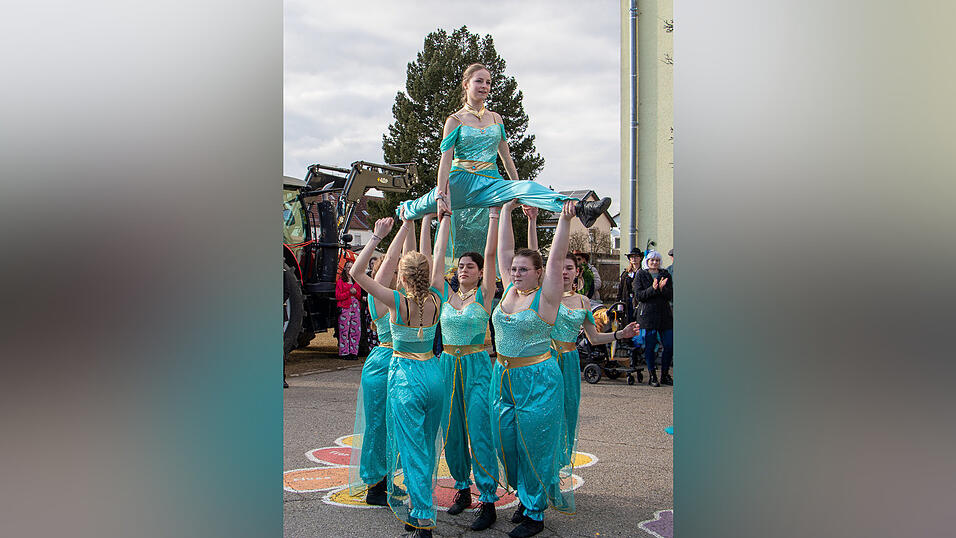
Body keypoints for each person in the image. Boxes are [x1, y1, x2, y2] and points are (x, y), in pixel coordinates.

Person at [396, 63, 611, 230]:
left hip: (491, 181)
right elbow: (445, 160)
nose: (484, 86)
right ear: (466, 85)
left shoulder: (496, 119)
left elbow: (506, 158)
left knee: (527, 186)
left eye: (488, 83)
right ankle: (405, 208)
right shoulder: (455, 120)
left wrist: (522, 195)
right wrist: (441, 195)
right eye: (479, 81)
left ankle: (580, 207)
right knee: (421, 207)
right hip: (461, 180)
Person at [350, 212, 452, 538]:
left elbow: (357, 273)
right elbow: (435, 263)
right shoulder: (437, 296)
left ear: (403, 278)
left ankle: (421, 513)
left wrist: (379, 236)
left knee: (411, 447)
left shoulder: (393, 301)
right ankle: (408, 498)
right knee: (423, 443)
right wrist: (441, 220)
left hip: (406, 375)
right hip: (433, 372)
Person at [491, 199, 575, 538]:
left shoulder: (547, 295)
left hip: (538, 379)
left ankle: (534, 512)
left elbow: (555, 257)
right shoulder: (509, 289)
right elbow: (505, 248)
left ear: (539, 273)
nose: (515, 272)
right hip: (504, 377)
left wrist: (566, 219)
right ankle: (525, 496)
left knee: (535, 445)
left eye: (523, 269)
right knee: (506, 441)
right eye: (514, 269)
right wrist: (508, 210)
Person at [437, 206, 502, 531]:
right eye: (460, 265)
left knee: (480, 430)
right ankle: (462, 489)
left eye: (470, 266)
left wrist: (493, 217)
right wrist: (442, 221)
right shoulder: (447, 296)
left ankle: (488, 500)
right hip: (447, 365)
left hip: (477, 366)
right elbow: (436, 267)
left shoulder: (484, 296)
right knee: (452, 432)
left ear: (478, 272)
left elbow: (490, 255)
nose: (464, 269)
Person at [347, 216, 412, 506]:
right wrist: (397, 229)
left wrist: (412, 226)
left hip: (397, 362)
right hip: (384, 362)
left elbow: (411, 258)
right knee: (377, 425)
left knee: (394, 425)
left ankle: (384, 479)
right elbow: (387, 264)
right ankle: (375, 485)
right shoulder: (379, 296)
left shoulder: (401, 297)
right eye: (391, 268)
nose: (396, 271)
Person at [551, 253, 639, 467]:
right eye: (560, 266)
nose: (564, 271)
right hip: (545, 361)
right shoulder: (543, 296)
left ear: (577, 272)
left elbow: (594, 337)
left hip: (569, 361)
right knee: (543, 415)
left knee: (565, 414)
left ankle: (555, 470)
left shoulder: (583, 301)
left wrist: (620, 334)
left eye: (569, 268)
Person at [633, 250, 673, 387]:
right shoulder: (641, 275)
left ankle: (665, 374)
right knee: (650, 346)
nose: (654, 263)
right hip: (648, 315)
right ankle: (652, 375)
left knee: (669, 345)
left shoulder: (665, 275)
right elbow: (640, 296)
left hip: (664, 315)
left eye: (657, 260)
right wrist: (653, 288)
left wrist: (662, 289)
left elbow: (670, 295)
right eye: (652, 260)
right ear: (647, 262)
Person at [335, 261, 362, 360]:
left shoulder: (356, 281)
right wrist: (349, 292)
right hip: (345, 307)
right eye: (347, 267)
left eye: (351, 267)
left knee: (355, 330)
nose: (349, 269)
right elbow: (338, 296)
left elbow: (359, 295)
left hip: (355, 307)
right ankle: (344, 352)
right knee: (344, 330)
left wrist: (355, 293)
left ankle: (354, 352)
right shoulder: (341, 281)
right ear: (345, 269)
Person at [618, 248, 643, 323]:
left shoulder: (643, 272)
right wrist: (618, 303)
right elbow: (621, 289)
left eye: (636, 256)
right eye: (632, 257)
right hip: (627, 300)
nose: (634, 259)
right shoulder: (626, 273)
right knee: (628, 321)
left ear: (640, 258)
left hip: (638, 301)